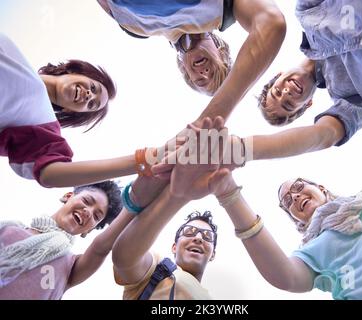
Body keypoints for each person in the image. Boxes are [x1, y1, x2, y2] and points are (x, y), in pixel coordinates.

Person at [0, 33, 168, 188]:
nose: (89, 95)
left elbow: (51, 173)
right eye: (94, 88)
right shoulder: (14, 55)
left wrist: (145, 159)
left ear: (71, 111)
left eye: (91, 105)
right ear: (75, 71)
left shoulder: (42, 125)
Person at [205, 171, 362, 299]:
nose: (295, 196)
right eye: (288, 201)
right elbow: (286, 276)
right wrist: (229, 194)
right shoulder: (312, 250)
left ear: (321, 188)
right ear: (298, 220)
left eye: (298, 187)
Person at [254, 0, 362, 158]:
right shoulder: (349, 99)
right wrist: (244, 150)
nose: (286, 93)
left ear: (278, 75)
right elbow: (325, 134)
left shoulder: (307, 13)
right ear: (307, 104)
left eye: (277, 91)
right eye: (288, 105)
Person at [97, 0, 286, 121]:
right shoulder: (225, 8)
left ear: (184, 69)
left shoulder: (135, 28)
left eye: (200, 80)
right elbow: (272, 22)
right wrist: (216, 115)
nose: (204, 72)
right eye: (215, 72)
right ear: (222, 53)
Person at [112, 116, 226, 299]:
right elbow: (124, 259)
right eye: (189, 231)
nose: (198, 238)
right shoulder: (157, 268)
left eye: (207, 237)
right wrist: (177, 195)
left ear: (212, 254)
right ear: (174, 247)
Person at [0, 175, 166, 299]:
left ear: (88, 230)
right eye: (87, 201)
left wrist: (136, 200)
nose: (88, 212)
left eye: (96, 216)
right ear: (67, 196)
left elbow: (100, 249)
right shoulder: (8, 228)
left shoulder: (72, 267)